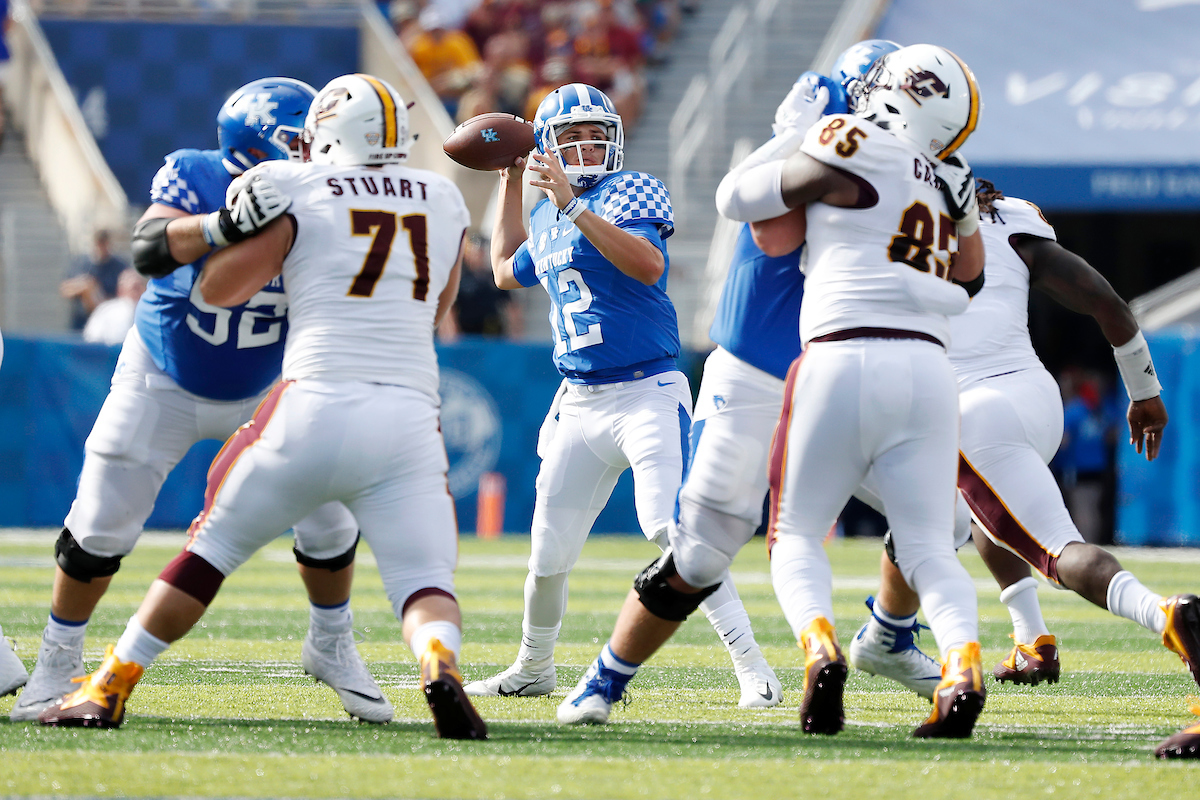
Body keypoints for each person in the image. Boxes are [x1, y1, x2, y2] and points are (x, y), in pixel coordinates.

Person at [37, 73, 488, 739]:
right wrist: (223, 223)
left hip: (290, 391)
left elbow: (218, 290)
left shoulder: (299, 188)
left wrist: (260, 237)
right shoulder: (442, 197)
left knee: (223, 544)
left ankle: (115, 684)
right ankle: (438, 662)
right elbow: (437, 312)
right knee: (421, 571)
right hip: (196, 378)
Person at [553, 42, 906, 726]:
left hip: (823, 366)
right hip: (795, 366)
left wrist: (794, 137)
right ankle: (607, 678)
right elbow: (753, 214)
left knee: (734, 539)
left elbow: (743, 201)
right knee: (711, 541)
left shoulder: (888, 166)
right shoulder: (860, 158)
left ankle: (884, 640)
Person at [847, 181, 1197, 757]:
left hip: (970, 408)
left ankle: (1166, 616)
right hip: (1036, 398)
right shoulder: (1010, 219)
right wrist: (1144, 391)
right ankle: (1032, 640)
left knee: (1056, 550)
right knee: (987, 509)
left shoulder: (892, 214)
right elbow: (1105, 299)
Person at [467, 83, 780, 710]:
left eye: (595, 135)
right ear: (549, 146)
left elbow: (646, 265)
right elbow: (504, 272)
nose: (586, 146)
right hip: (580, 399)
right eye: (573, 137)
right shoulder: (548, 210)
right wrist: (510, 182)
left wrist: (572, 207)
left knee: (669, 528)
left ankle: (754, 670)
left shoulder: (630, 188)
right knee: (546, 554)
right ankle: (534, 667)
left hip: (647, 391)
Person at [720, 43, 989, 738]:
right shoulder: (950, 175)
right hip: (929, 371)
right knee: (930, 544)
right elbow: (971, 280)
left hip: (842, 352)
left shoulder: (848, 136)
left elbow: (737, 198)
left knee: (795, 532)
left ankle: (820, 647)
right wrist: (958, 217)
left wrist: (789, 133)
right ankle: (963, 666)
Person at [60, 231, 130, 331]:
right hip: (81, 320)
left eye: (103, 244)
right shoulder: (81, 263)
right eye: (98, 243)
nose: (101, 248)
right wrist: (84, 286)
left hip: (108, 321)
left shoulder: (118, 267)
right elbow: (65, 289)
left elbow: (125, 296)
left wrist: (98, 298)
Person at [82, 269, 147, 346]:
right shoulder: (106, 309)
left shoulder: (150, 312)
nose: (136, 293)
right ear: (120, 291)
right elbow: (91, 338)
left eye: (139, 287)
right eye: (134, 288)